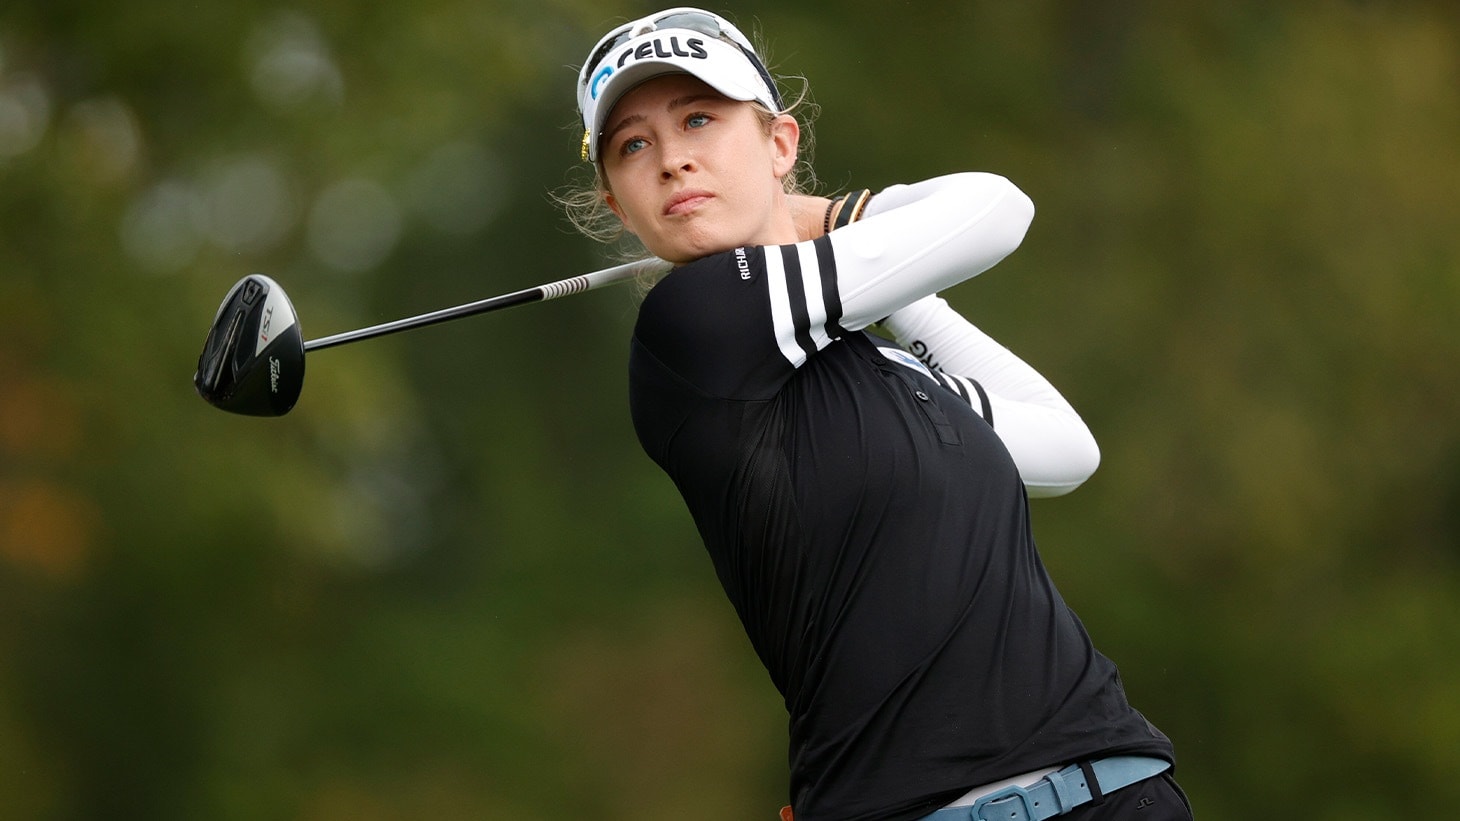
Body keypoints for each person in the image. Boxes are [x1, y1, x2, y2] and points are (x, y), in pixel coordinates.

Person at [566, 8, 1192, 821]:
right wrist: (829, 218)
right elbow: (997, 208)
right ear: (620, 207)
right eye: (632, 146)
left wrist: (891, 288)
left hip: (1118, 792)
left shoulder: (886, 368)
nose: (672, 159)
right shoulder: (693, 326)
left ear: (780, 144)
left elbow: (1067, 448)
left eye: (698, 119)